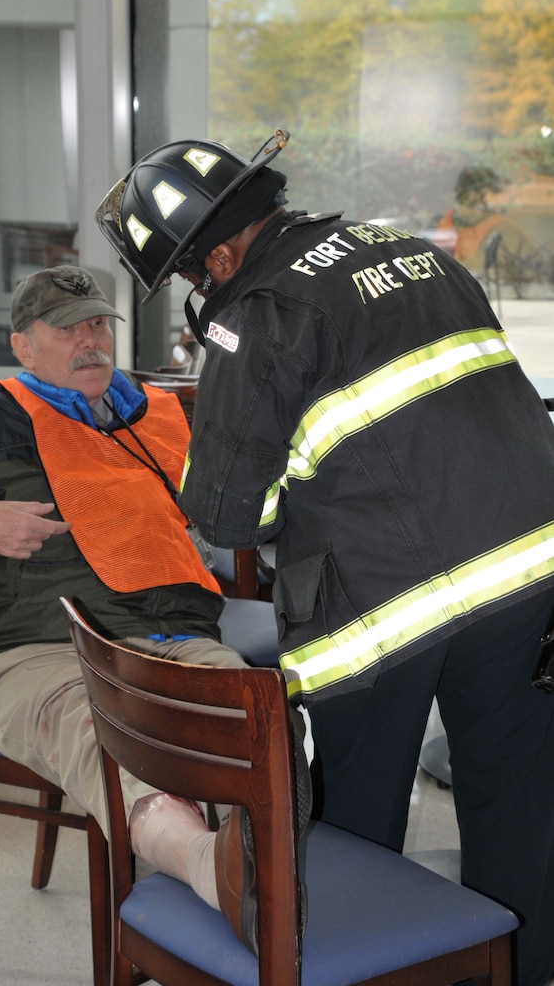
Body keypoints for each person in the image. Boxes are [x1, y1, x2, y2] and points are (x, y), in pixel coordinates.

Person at [97, 130, 554, 986]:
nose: (202, 290)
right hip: (528, 566)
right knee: (513, 793)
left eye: (195, 275)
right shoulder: (411, 251)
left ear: (222, 251)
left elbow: (227, 513)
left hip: (384, 601)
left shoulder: (255, 310)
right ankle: (518, 970)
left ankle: (352, 966)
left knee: (351, 810)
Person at [0, 264, 307, 955]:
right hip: (42, 650)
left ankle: (250, 877)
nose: (88, 341)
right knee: (108, 735)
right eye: (66, 330)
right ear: (22, 347)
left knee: (257, 723)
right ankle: (218, 872)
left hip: (175, 636)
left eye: (96, 325)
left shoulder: (156, 414)